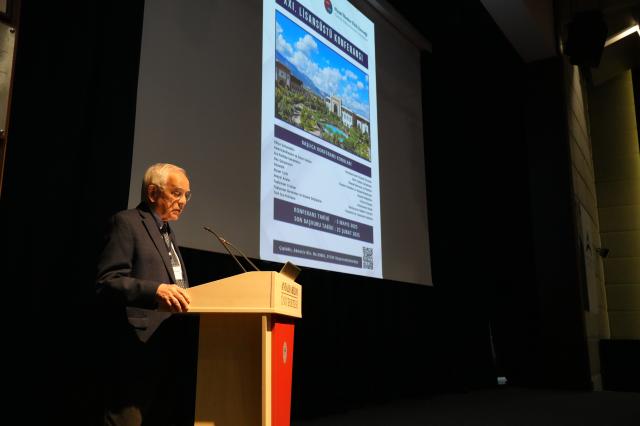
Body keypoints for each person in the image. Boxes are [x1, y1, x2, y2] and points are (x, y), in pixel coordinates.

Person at [96, 163, 197, 426]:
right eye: (176, 193)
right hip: (136, 345)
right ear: (152, 193)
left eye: (186, 195)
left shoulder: (167, 231)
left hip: (168, 342)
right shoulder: (126, 222)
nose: (182, 202)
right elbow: (108, 281)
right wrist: (155, 291)